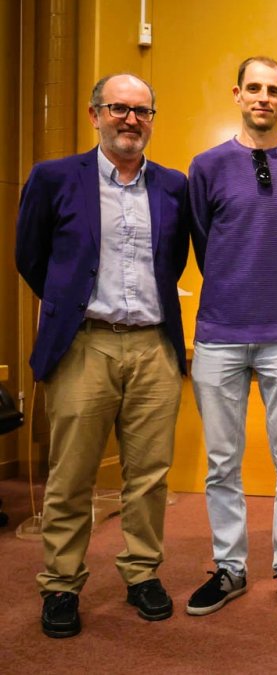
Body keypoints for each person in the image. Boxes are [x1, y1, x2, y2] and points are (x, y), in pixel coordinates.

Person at [16, 73, 191, 638]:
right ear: (95, 114)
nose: (130, 120)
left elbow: (176, 261)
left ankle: (142, 574)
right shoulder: (53, 178)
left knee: (149, 476)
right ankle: (62, 585)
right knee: (71, 476)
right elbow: (30, 257)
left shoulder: (173, 186)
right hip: (82, 344)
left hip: (153, 347)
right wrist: (71, 304)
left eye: (142, 112)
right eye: (118, 109)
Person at [184, 56, 277, 616]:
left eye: (274, 90)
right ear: (237, 94)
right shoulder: (207, 166)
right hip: (219, 334)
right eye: (255, 88)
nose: (264, 97)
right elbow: (201, 240)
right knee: (222, 462)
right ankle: (229, 567)